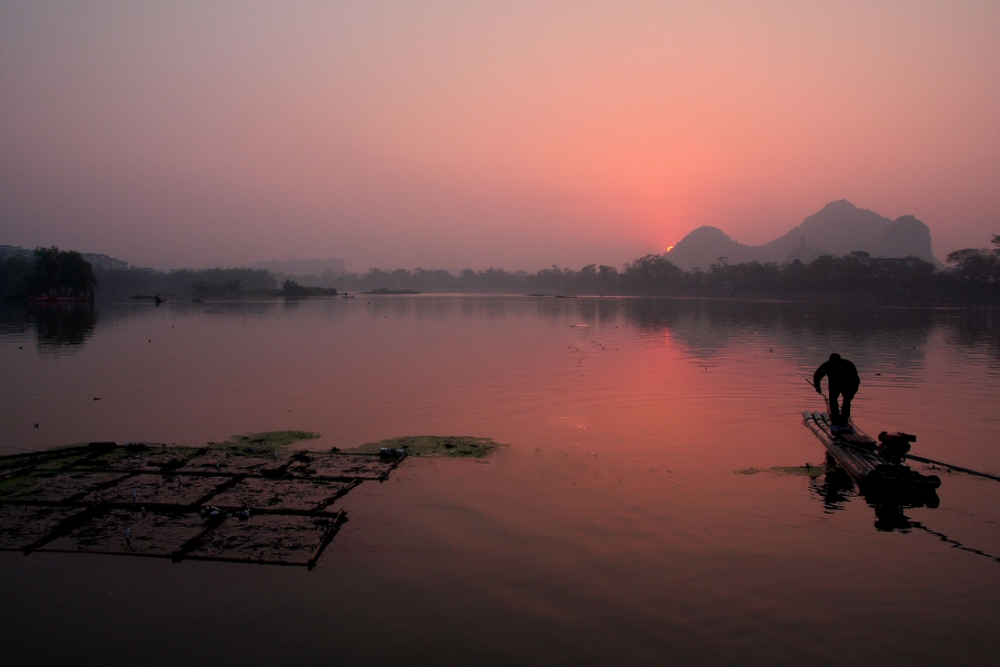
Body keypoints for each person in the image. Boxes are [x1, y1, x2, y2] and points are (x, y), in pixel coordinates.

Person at [813, 353, 860, 426]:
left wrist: (853, 391)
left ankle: (843, 420)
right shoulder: (829, 364)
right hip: (835, 385)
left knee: (845, 402)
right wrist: (817, 386)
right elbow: (817, 375)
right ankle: (837, 420)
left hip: (847, 385)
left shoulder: (846, 364)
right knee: (835, 401)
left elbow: (856, 380)